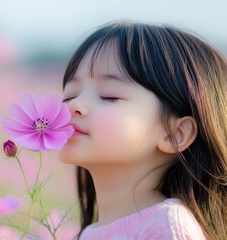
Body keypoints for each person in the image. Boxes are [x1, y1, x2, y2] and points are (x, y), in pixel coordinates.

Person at [58, 21, 227, 240]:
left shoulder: (166, 228)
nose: (72, 106)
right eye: (69, 95)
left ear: (175, 135)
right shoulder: (89, 233)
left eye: (109, 96)